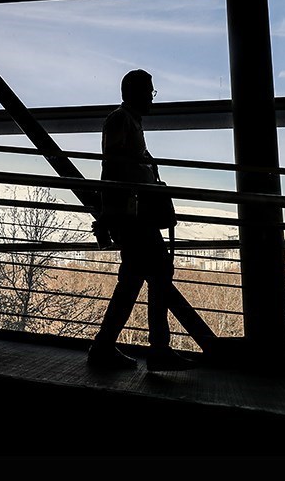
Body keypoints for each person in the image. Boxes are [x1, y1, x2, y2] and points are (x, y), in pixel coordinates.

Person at [88, 69, 199, 372]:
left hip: (133, 216)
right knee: (156, 274)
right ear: (135, 92)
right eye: (149, 90)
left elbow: (114, 168)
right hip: (134, 217)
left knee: (134, 280)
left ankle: (107, 346)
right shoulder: (123, 121)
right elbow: (115, 169)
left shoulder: (126, 122)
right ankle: (154, 349)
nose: (152, 96)